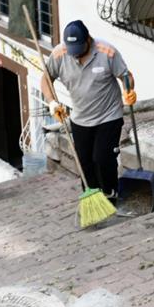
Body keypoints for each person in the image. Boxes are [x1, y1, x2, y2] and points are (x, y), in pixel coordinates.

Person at [40, 20, 137, 203]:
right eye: (71, 50)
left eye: (78, 49)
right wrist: (52, 103)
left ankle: (110, 193)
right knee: (84, 162)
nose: (75, 56)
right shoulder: (60, 54)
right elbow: (46, 79)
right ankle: (92, 199)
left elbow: (125, 75)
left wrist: (128, 89)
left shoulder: (106, 52)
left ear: (88, 40)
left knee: (102, 157)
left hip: (108, 115)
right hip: (80, 118)